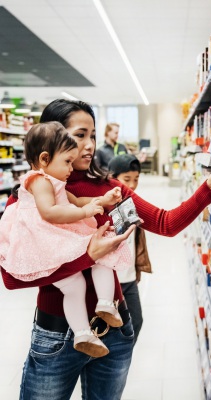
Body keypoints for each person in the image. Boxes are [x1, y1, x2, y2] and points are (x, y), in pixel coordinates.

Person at [0, 98, 211, 399]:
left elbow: (166, 223)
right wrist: (88, 255)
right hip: (57, 336)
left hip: (115, 333)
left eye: (93, 135)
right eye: (79, 135)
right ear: (52, 136)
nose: (89, 145)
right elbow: (12, 277)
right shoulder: (31, 196)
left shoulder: (109, 190)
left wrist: (209, 187)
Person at [0, 121, 133, 358]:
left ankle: (102, 307)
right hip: (46, 242)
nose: (71, 168)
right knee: (79, 279)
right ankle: (83, 331)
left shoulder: (56, 181)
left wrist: (103, 199)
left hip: (59, 236)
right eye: (67, 162)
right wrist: (84, 214)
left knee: (96, 265)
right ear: (44, 159)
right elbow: (49, 212)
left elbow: (78, 202)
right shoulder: (38, 181)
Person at [108, 154, 150, 345]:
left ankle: (119, 360)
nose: (132, 185)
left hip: (129, 278)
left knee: (136, 321)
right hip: (109, 280)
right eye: (127, 180)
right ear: (112, 177)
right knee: (109, 328)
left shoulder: (132, 203)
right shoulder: (104, 205)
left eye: (136, 179)